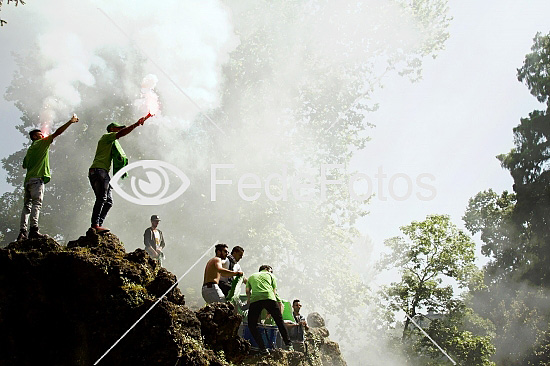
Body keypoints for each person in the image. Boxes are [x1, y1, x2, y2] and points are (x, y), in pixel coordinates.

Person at [17, 115, 79, 241]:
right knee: (36, 204)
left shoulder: (29, 150)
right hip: (37, 180)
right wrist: (70, 122)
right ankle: (34, 230)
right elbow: (57, 133)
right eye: (40, 134)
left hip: (28, 181)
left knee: (26, 206)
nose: (43, 135)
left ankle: (22, 232)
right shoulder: (41, 143)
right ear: (35, 137)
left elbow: (24, 165)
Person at [88, 117, 147, 232]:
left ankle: (97, 226)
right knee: (102, 198)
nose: (118, 130)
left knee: (108, 201)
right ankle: (95, 225)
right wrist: (136, 124)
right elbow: (122, 133)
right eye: (117, 128)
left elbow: (123, 132)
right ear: (111, 129)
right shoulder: (107, 137)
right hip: (99, 170)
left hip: (98, 171)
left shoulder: (111, 142)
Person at [246, 265, 293, 354]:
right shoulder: (271, 275)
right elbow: (274, 291)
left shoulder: (252, 276)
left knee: (252, 325)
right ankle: (289, 344)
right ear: (267, 269)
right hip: (269, 298)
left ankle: (263, 348)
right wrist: (271, 308)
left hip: (255, 299)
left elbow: (248, 291)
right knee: (279, 321)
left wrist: (249, 299)